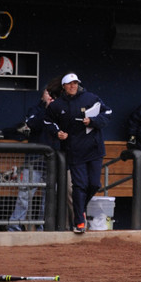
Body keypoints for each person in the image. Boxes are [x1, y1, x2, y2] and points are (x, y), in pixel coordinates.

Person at [46, 73, 112, 233]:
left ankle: (79, 209)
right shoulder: (57, 105)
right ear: (64, 86)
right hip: (74, 150)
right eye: (69, 84)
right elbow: (48, 121)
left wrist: (93, 121)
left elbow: (108, 113)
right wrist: (57, 133)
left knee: (95, 184)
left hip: (94, 148)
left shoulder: (91, 98)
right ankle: (79, 221)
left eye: (75, 83)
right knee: (79, 185)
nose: (72, 86)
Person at [9, 79, 59, 231]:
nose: (50, 96)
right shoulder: (35, 110)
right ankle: (14, 227)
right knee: (24, 197)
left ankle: (44, 229)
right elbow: (33, 124)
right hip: (34, 162)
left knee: (49, 200)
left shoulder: (63, 111)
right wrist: (48, 110)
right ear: (42, 95)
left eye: (53, 94)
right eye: (47, 92)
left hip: (54, 163)